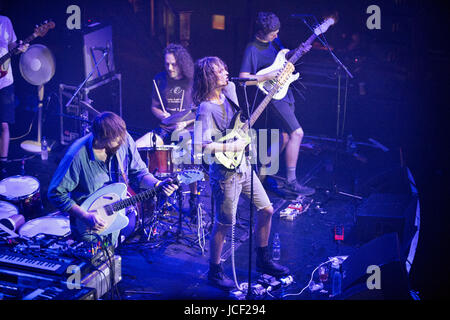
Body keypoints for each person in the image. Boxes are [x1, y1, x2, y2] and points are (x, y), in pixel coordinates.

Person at [193, 56, 289, 290]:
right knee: (225, 223)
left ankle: (263, 258)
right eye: (220, 71)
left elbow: (251, 81)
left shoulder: (231, 90)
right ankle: (214, 271)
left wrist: (275, 76)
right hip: (225, 173)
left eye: (225, 68)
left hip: (244, 166)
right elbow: (199, 145)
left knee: (266, 209)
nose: (226, 72)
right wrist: (231, 147)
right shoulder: (205, 108)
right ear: (208, 77)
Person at [48, 111, 178, 245]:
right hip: (89, 227)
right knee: (91, 264)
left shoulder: (123, 138)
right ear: (100, 138)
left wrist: (158, 184)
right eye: (117, 141)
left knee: (112, 261)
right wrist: (85, 216)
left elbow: (140, 173)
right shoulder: (76, 156)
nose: (122, 143)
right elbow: (55, 194)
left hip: (115, 218)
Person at [239, 12, 315, 196]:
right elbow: (243, 79)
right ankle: (291, 181)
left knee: (285, 137)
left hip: (285, 92)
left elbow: (282, 57)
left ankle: (261, 176)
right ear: (261, 32)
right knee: (297, 133)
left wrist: (298, 51)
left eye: (277, 32)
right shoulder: (252, 49)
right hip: (272, 95)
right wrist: (266, 77)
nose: (276, 35)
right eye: (273, 33)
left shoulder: (274, 41)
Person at [136, 43, 199, 214]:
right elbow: (154, 107)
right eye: (167, 64)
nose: (170, 68)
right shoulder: (160, 79)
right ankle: (153, 193)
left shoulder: (192, 81)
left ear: (182, 63)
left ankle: (194, 197)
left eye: (174, 64)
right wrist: (162, 115)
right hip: (166, 127)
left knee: (188, 156)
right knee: (137, 147)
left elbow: (201, 110)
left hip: (188, 128)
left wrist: (184, 123)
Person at [0, 15, 29, 178]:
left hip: (5, 81)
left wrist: (19, 48)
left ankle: (2, 165)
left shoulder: (5, 21)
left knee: (4, 124)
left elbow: (12, 45)